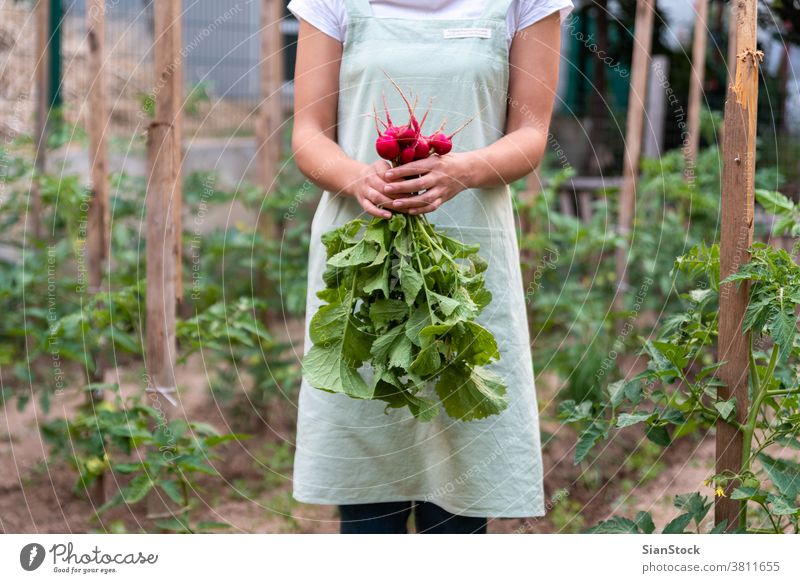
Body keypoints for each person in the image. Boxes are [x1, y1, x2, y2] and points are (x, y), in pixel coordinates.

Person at [288, 0, 573, 534]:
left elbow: (531, 137)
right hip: (364, 258)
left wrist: (462, 169)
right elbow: (307, 134)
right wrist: (357, 178)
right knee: (368, 452)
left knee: (463, 458)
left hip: (467, 258)